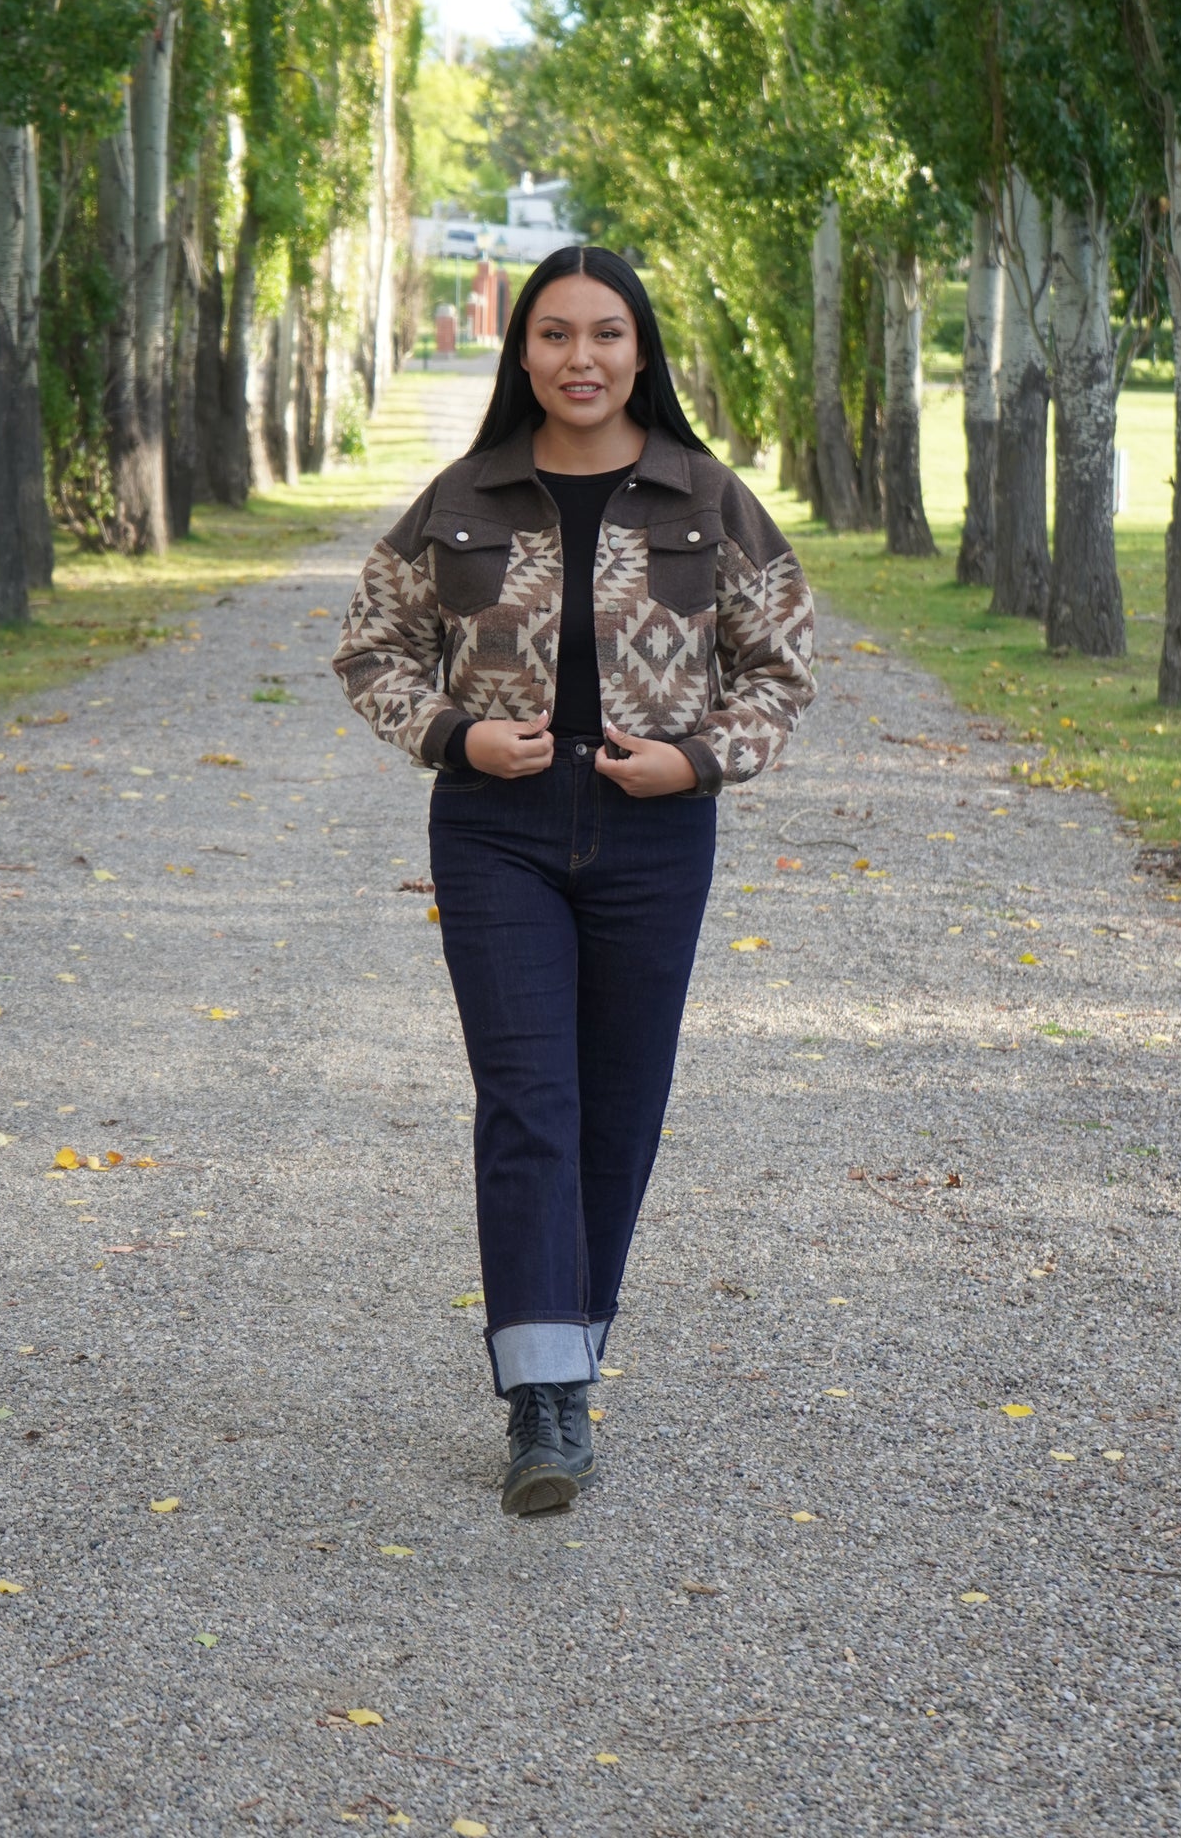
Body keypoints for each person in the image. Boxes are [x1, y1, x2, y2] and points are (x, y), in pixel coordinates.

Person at [334, 245, 815, 1516]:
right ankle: (544, 1402)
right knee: (528, 1100)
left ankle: (569, 1345)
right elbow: (371, 647)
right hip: (494, 831)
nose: (581, 358)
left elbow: (780, 672)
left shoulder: (708, 500)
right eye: (553, 335)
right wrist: (455, 736)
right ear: (522, 353)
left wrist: (699, 761)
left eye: (606, 334)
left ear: (640, 351)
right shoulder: (463, 495)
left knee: (618, 1105)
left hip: (655, 836)